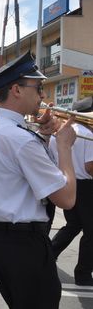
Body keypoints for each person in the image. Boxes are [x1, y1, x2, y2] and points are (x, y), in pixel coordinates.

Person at [0, 52, 76, 309]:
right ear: (17, 90)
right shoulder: (19, 138)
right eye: (38, 88)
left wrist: (44, 137)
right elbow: (66, 198)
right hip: (23, 244)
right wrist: (64, 146)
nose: (42, 95)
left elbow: (14, 174)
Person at [50, 96, 93, 286]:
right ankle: (83, 274)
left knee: (73, 224)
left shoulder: (63, 131)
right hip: (86, 186)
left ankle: (49, 254)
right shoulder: (89, 134)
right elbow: (90, 167)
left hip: (67, 182)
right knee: (91, 232)